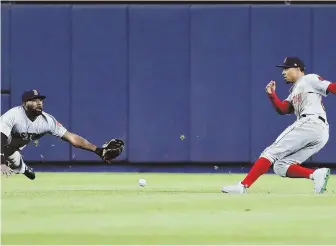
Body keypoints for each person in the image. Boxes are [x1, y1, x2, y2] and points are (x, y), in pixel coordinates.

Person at [222, 57, 336, 194]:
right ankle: (316, 174)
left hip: (311, 122)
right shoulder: (295, 89)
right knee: (281, 166)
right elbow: (284, 109)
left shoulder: (309, 79)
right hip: (320, 132)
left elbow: (332, 87)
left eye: (287, 68)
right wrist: (272, 96)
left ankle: (243, 186)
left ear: (298, 69)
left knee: (270, 153)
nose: (283, 72)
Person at [1, 89, 124, 179]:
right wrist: (1, 163)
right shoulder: (13, 116)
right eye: (34, 100)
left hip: (12, 149)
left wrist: (97, 150)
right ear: (24, 104)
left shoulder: (47, 121)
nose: (39, 103)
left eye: (40, 100)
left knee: (15, 162)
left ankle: (23, 168)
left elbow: (73, 138)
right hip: (2, 145)